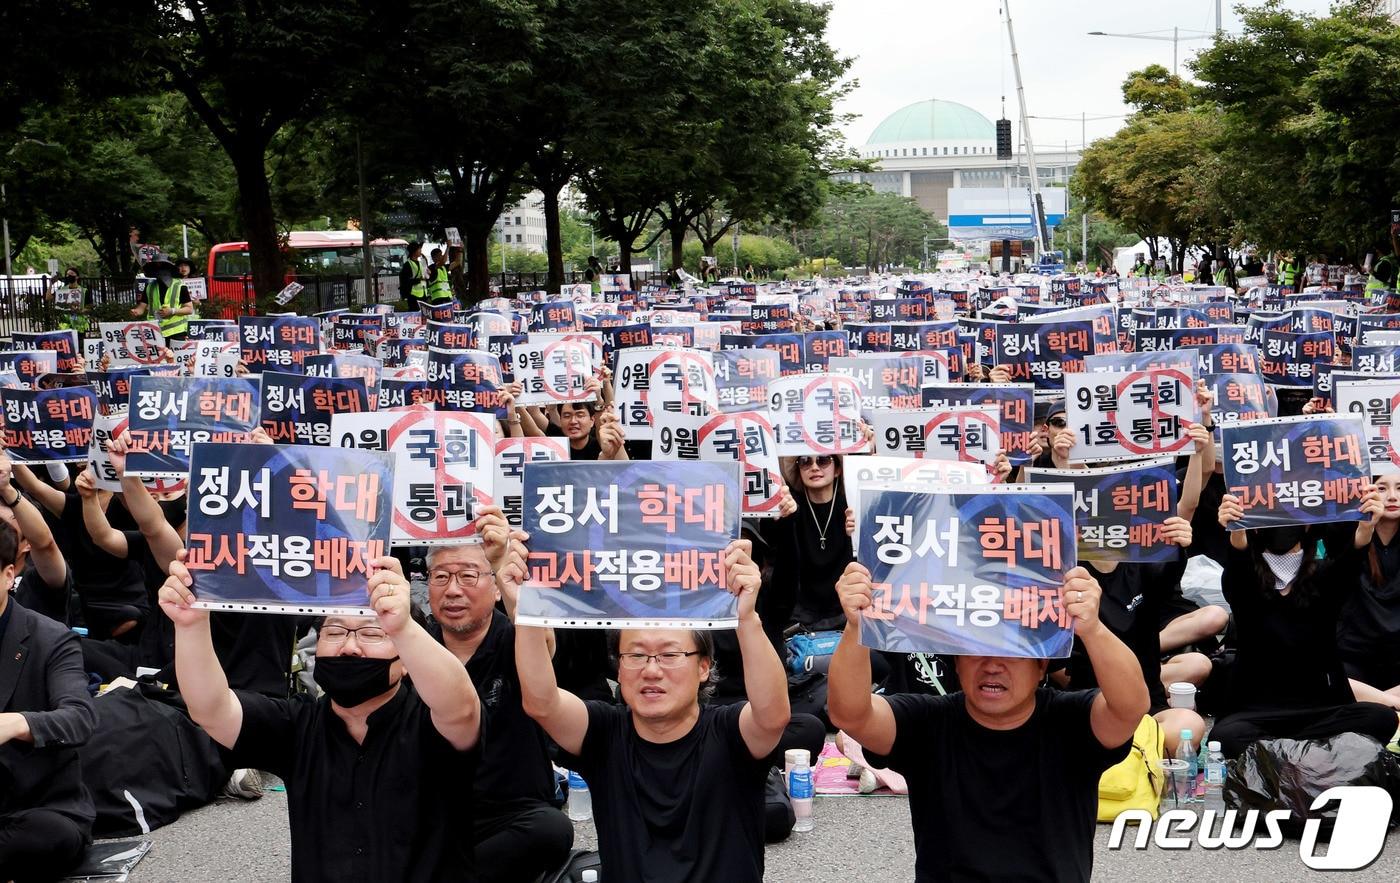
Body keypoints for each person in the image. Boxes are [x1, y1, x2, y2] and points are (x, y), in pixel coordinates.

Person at [159, 550, 483, 881]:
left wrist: (400, 623)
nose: (349, 647)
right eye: (335, 631)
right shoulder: (297, 725)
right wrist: (191, 624)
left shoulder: (432, 720)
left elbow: (461, 705)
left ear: (406, 660)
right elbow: (211, 709)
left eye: (372, 634)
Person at [828, 564, 1147, 882]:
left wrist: (1093, 629)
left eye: (1012, 653)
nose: (992, 666)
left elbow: (1130, 708)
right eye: (977, 651)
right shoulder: (928, 723)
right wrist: (856, 626)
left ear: (1042, 665)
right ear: (956, 660)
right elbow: (851, 715)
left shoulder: (1071, 721)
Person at [514, 537, 790, 882]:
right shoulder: (605, 733)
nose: (651, 670)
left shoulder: (729, 733)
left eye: (670, 655)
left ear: (704, 667)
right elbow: (542, 702)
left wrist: (746, 617)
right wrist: (526, 609)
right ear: (618, 668)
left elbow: (772, 714)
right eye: (636, 655)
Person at [423, 512, 574, 883]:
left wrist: (503, 563)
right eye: (441, 577)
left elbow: (542, 639)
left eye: (468, 576)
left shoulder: (516, 636)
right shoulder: (417, 645)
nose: (453, 590)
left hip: (510, 814)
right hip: (433, 811)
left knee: (551, 830)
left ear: (494, 587)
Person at [1211, 491, 1399, 758]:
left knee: (1381, 718)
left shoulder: (1325, 575)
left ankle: (1284, 756)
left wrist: (1367, 525)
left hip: (1322, 712)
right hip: (1256, 713)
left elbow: (1352, 557)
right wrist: (1236, 528)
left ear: (1309, 525)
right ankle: (1310, 756)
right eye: (1271, 519)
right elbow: (1238, 563)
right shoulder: (1245, 579)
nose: (1281, 528)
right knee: (1225, 737)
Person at [0, 519, 97, 882]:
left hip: (35, 805)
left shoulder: (51, 639)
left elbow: (80, 718)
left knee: (48, 836)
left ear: (9, 575)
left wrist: (16, 723)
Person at [1339, 473, 1400, 707]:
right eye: (1382, 488)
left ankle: (1381, 705)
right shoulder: (1345, 536)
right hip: (1355, 658)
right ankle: (1391, 706)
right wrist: (1365, 530)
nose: (1393, 497)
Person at [130, 254, 192, 341]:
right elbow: (141, 308)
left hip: (176, 333)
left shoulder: (180, 286)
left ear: (169, 268)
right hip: (155, 332)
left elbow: (189, 309)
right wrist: (136, 311)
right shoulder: (149, 287)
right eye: (156, 267)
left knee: (173, 355)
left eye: (163, 267)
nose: (160, 271)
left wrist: (172, 311)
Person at [399, 241, 427, 310]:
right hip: (413, 295)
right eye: (419, 249)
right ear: (414, 251)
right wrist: (419, 279)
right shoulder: (408, 265)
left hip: (423, 294)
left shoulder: (420, 263)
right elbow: (405, 281)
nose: (421, 251)